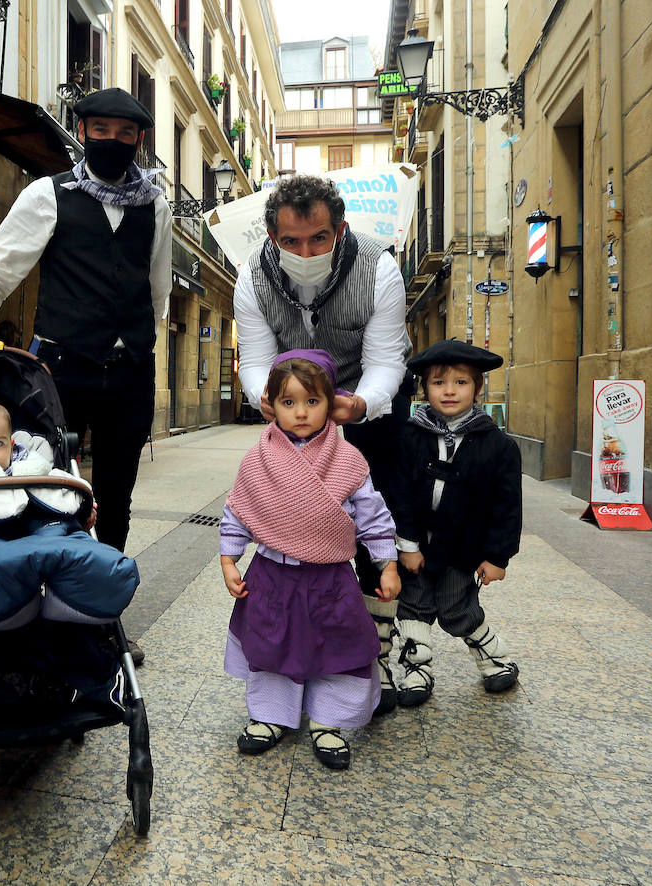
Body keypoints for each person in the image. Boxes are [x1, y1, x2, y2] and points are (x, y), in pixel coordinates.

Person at [0, 87, 171, 663]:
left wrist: (138, 340)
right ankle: (32, 604)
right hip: (62, 369)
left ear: (139, 140)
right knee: (45, 485)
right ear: (83, 132)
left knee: (117, 495)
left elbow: (156, 288)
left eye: (126, 134)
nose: (114, 141)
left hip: (129, 371)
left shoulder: (156, 205)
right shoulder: (49, 194)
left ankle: (102, 615)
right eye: (102, 130)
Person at [233, 173, 411, 713]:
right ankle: (292, 646)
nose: (305, 252)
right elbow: (256, 358)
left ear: (341, 230)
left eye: (319, 239)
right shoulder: (251, 277)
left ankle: (375, 651)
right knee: (291, 513)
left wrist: (360, 405)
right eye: (291, 241)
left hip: (368, 396)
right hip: (295, 400)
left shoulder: (380, 267)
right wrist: (266, 398)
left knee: (377, 512)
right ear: (272, 236)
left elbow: (386, 359)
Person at [220, 350, 400, 770]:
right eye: (289, 402)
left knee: (336, 646)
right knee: (272, 645)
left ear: (331, 403)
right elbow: (238, 509)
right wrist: (230, 560)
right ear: (272, 404)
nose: (300, 412)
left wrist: (387, 563)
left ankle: (328, 720)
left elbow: (372, 515)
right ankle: (270, 715)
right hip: (272, 573)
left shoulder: (348, 460)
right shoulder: (258, 459)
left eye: (312, 401)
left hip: (330, 576)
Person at [0, 399, 138, 631]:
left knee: (107, 567)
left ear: (11, 444)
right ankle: (18, 600)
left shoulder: (31, 467)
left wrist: (84, 507)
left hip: (40, 529)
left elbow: (64, 486)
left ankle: (64, 598)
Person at [387, 341, 522, 706]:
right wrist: (407, 545)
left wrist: (497, 557)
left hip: (463, 548)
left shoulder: (498, 446)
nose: (449, 391)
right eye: (438, 383)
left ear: (478, 387)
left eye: (460, 382)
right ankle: (417, 670)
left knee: (456, 606)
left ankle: (496, 660)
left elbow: (507, 508)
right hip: (418, 545)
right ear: (424, 388)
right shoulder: (410, 437)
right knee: (413, 605)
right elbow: (399, 494)